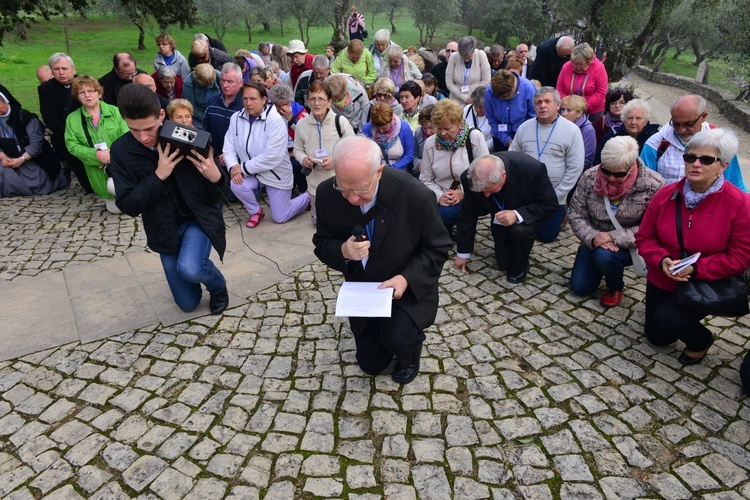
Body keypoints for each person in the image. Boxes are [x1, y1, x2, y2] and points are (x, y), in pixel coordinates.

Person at [313, 136, 452, 384]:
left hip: (404, 288)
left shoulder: (415, 195)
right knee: (371, 365)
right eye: (344, 189)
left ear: (379, 172)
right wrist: (343, 251)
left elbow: (438, 248)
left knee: (398, 337)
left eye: (360, 190)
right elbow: (322, 244)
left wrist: (406, 279)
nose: (352, 199)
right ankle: (385, 335)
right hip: (363, 289)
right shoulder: (327, 193)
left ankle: (410, 353)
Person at [109, 84, 229, 315]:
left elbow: (219, 194)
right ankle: (190, 269)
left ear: (162, 115)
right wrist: (158, 175)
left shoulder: (187, 135)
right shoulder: (121, 150)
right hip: (164, 229)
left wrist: (216, 177)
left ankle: (217, 286)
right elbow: (128, 205)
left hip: (198, 219)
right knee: (187, 304)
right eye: (135, 130)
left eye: (149, 128)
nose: (143, 137)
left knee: (190, 268)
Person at [635, 128, 750, 365]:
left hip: (705, 279)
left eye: (706, 159)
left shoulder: (740, 204)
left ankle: (701, 340)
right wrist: (661, 260)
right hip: (663, 274)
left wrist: (696, 269)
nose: (696, 164)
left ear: (723, 166)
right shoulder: (665, 194)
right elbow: (644, 237)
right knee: (657, 337)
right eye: (690, 157)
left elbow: (740, 258)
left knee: (668, 319)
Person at [568, 136, 664, 307]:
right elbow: (576, 213)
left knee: (604, 256)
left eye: (618, 174)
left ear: (632, 166)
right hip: (594, 238)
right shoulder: (590, 177)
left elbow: (651, 227)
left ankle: (615, 286)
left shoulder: (653, 185)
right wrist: (594, 237)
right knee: (580, 287)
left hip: (630, 245)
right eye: (606, 171)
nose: (611, 178)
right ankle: (599, 267)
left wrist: (612, 236)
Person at [455, 152, 558, 283]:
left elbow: (550, 204)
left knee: (519, 232)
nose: (486, 195)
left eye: (490, 190)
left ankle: (521, 266)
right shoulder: (468, 177)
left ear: (503, 176)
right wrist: (463, 253)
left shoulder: (532, 169)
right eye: (482, 191)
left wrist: (517, 214)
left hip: (526, 215)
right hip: (499, 219)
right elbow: (468, 214)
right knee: (503, 264)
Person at [223, 82, 310, 228]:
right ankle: (256, 211)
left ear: (264, 100)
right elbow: (229, 147)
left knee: (280, 217)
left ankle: (308, 195)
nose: (248, 103)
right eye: (245, 99)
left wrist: (242, 168)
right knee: (236, 185)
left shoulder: (275, 120)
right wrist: (233, 166)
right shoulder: (236, 118)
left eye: (253, 99)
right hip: (251, 172)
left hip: (275, 173)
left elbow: (272, 156)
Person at [509, 87, 585, 242]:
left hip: (554, 195)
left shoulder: (572, 131)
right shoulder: (524, 127)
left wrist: (556, 195)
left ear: (557, 105)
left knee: (546, 236)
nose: (542, 105)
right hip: (525, 194)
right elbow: (511, 158)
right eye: (538, 103)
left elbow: (575, 167)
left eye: (547, 101)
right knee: (519, 231)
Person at [641, 94, 746, 190]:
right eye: (676, 124)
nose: (681, 130)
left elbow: (735, 185)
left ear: (703, 117)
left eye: (688, 124)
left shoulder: (721, 142)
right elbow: (643, 185)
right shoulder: (655, 144)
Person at [420, 99, 490, 233]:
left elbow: (484, 174)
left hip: (471, 193)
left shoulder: (474, 137)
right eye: (439, 128)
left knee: (443, 215)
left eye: (447, 129)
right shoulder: (430, 143)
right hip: (441, 192)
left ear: (459, 124)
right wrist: (439, 196)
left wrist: (463, 192)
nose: (442, 133)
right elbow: (425, 179)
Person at [64, 75, 129, 213]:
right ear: (78, 97)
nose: (87, 95)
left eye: (91, 91)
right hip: (97, 170)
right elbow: (72, 145)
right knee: (116, 210)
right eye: (82, 92)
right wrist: (97, 155)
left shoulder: (115, 111)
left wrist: (113, 154)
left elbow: (127, 135)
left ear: (99, 93)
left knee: (129, 202)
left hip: (121, 165)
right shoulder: (72, 119)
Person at [37, 52, 90, 193]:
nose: (61, 72)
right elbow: (49, 119)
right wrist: (71, 135)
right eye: (56, 69)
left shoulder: (86, 83)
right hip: (67, 136)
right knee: (87, 183)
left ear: (73, 68)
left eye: (64, 68)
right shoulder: (45, 90)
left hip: (91, 132)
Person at [0, 92, 68, 197]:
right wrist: (4, 158)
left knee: (36, 183)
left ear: (6, 101)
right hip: (7, 159)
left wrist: (21, 159)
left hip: (30, 159)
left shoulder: (26, 118)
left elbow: (36, 145)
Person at [268, 83, 309, 195]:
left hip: (297, 149)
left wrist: (291, 119)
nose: (282, 108)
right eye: (278, 105)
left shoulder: (299, 111)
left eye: (285, 104)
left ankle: (303, 191)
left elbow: (306, 134)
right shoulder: (268, 112)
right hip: (278, 150)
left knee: (296, 164)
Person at [594, 99, 660, 165]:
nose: (633, 122)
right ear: (623, 119)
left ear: (646, 121)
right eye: (630, 118)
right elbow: (598, 162)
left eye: (638, 118)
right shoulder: (613, 136)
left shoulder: (654, 138)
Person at [484, 69, 536, 153]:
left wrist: (521, 137)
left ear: (513, 88)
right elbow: (491, 118)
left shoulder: (528, 88)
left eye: (504, 97)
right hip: (499, 137)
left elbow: (533, 116)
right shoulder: (489, 91)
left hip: (524, 136)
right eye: (498, 97)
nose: (500, 99)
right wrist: (506, 139)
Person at [203, 63, 244, 169]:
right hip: (214, 160)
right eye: (223, 80)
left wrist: (230, 155)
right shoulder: (212, 102)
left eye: (230, 81)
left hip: (239, 163)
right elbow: (206, 132)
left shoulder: (246, 106)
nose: (225, 85)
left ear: (241, 83)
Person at [555, 43, 608, 122]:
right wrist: (569, 106)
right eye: (575, 64)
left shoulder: (599, 68)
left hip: (593, 110)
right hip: (568, 110)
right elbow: (559, 90)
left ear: (589, 62)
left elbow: (601, 92)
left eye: (581, 64)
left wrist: (582, 107)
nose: (578, 67)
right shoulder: (566, 67)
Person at [362, 102, 414, 172]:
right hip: (375, 170)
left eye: (384, 128)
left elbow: (409, 155)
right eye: (377, 128)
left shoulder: (404, 127)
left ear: (391, 120)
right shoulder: (367, 129)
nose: (380, 131)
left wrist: (393, 169)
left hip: (399, 171)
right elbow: (364, 154)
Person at [446, 36, 491, 105]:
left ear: (473, 50)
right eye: (463, 57)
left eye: (468, 57)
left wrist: (473, 96)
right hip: (456, 100)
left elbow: (486, 80)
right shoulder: (453, 57)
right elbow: (449, 82)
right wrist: (462, 96)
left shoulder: (481, 55)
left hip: (475, 99)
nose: (465, 60)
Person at [561, 95, 596, 171]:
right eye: (563, 110)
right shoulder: (560, 125)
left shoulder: (588, 129)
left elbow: (587, 159)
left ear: (579, 113)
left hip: (578, 172)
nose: (564, 114)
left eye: (569, 110)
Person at [182, 63, 222, 129]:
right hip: (199, 117)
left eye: (210, 84)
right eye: (205, 85)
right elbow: (191, 107)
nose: (208, 86)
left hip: (218, 112)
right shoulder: (189, 83)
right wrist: (207, 118)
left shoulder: (219, 77)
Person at [462, 85, 493, 152]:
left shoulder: (494, 114)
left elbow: (494, 138)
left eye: (481, 107)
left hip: (486, 151)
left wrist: (480, 148)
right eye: (476, 106)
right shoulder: (467, 109)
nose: (478, 109)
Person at [413, 104, 435, 174]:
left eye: (431, 128)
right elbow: (414, 156)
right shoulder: (418, 133)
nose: (428, 132)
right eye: (424, 128)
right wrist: (419, 164)